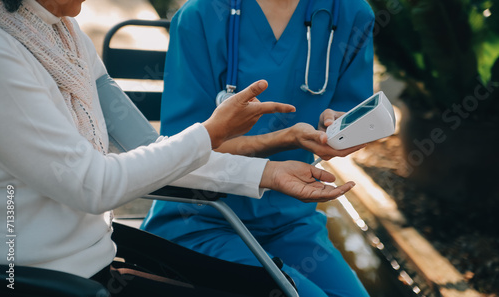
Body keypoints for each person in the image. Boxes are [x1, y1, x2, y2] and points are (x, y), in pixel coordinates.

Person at [0, 0, 357, 296]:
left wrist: (267, 173)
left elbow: (150, 147)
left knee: (266, 285)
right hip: (42, 279)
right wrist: (212, 132)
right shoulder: (5, 56)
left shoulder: (65, 34)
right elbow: (93, 186)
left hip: (104, 254)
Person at [141, 0, 375, 296]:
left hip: (292, 220)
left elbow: (351, 109)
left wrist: (343, 128)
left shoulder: (350, 12)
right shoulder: (201, 15)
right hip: (201, 217)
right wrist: (285, 139)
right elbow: (179, 155)